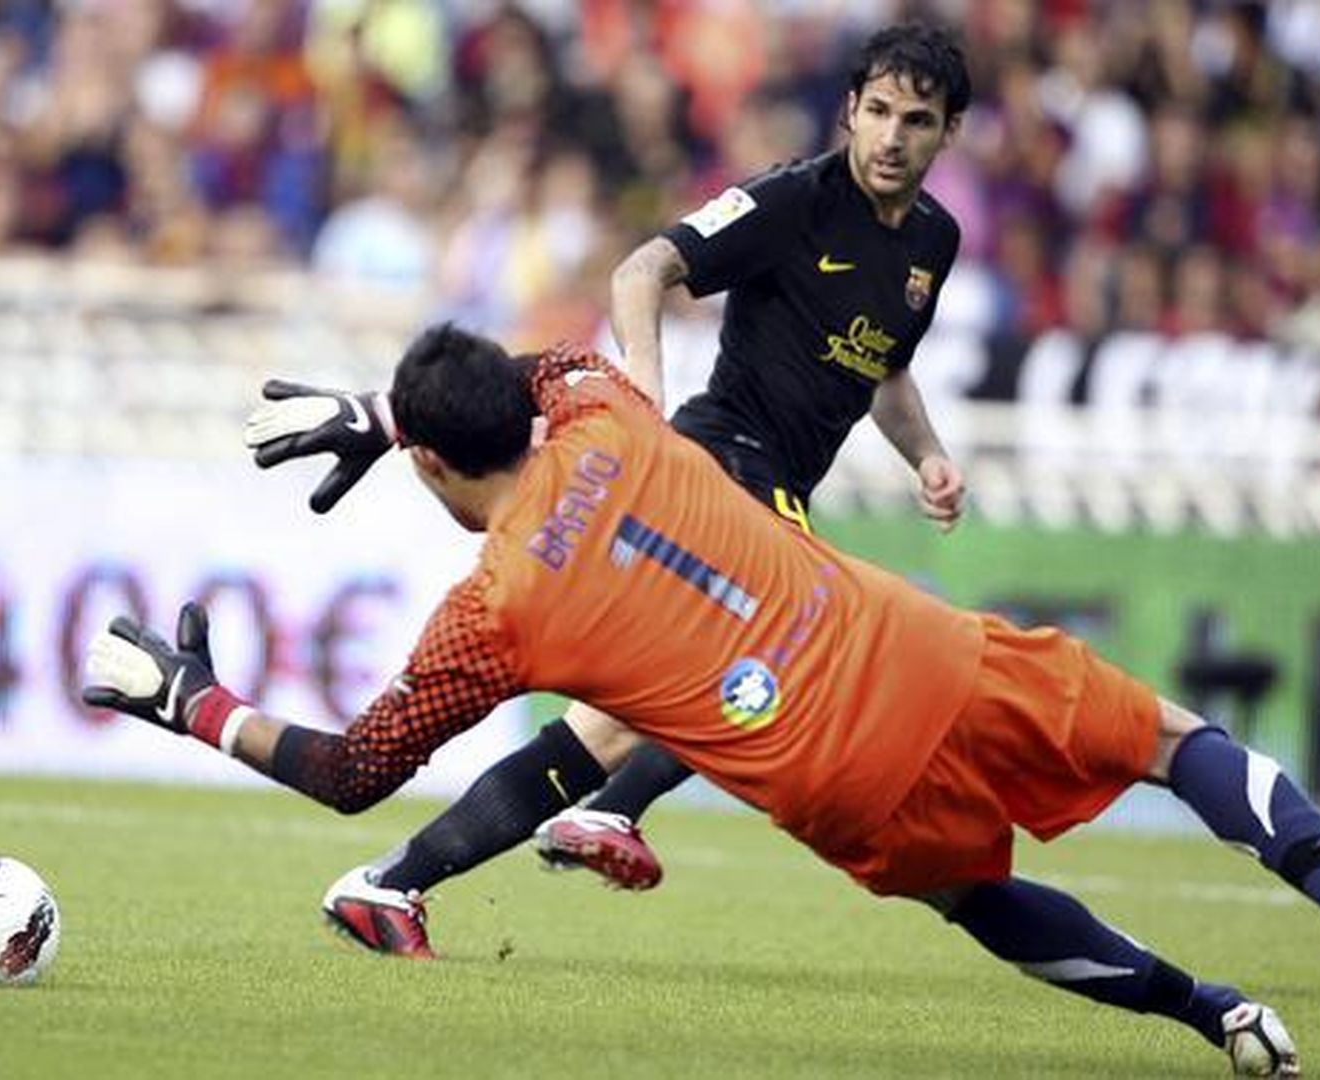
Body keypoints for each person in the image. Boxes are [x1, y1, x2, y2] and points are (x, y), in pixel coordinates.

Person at [87, 324, 1320, 1078]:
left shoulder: (491, 613)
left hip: (827, 775)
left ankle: (1211, 1013)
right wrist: (380, 414)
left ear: (438, 468)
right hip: (916, 651)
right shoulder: (610, 410)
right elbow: (550, 358)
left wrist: (194, 704)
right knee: (1165, 738)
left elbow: (354, 770)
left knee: (974, 897)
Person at [248, 21, 973, 904]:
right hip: (723, 463)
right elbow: (642, 272)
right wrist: (647, 409)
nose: (893, 137)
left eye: (918, 121)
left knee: (618, 726)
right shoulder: (791, 203)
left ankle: (394, 882)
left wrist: (928, 453)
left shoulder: (932, 244)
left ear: (949, 132)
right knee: (772, 666)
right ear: (849, 111)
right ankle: (611, 814)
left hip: (777, 481)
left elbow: (885, 368)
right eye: (880, 112)